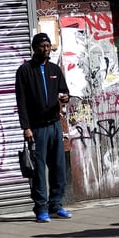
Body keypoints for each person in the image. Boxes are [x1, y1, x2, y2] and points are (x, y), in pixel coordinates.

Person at [15, 32, 72, 223]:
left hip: (55, 125)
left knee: (58, 167)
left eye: (48, 46)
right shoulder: (25, 71)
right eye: (41, 46)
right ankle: (41, 208)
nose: (45, 49)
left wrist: (65, 97)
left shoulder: (54, 69)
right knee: (38, 170)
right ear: (34, 48)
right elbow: (21, 102)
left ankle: (56, 205)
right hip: (37, 128)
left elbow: (64, 92)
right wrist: (26, 127)